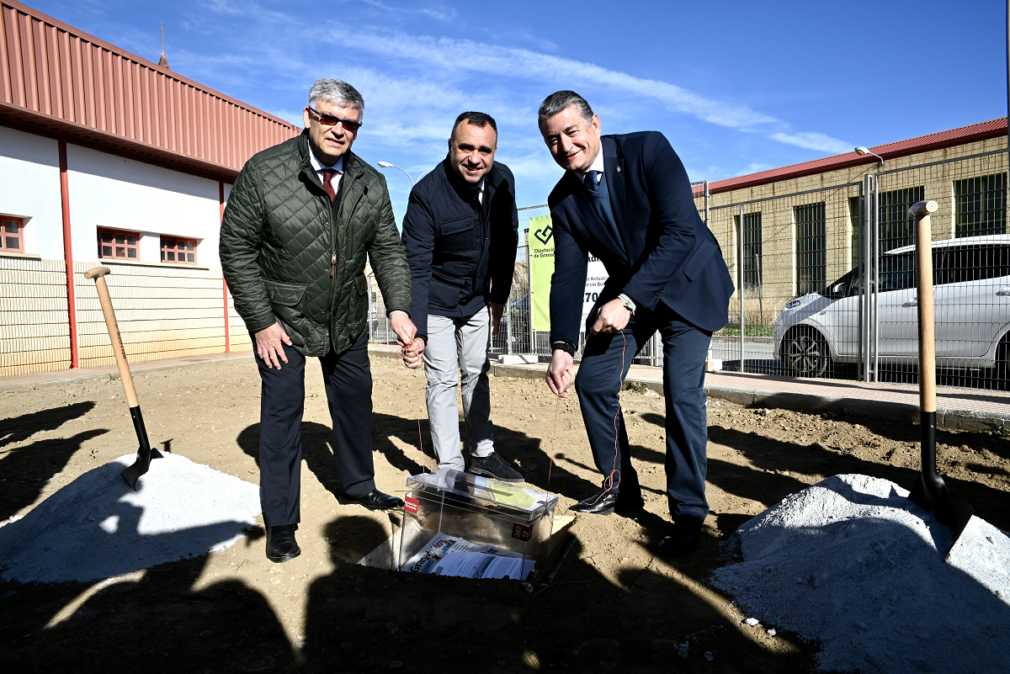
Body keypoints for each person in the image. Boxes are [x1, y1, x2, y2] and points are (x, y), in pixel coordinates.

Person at [221, 79, 416, 564]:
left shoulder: (372, 181)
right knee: (283, 416)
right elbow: (237, 249)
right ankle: (282, 523)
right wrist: (261, 321)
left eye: (350, 123)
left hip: (345, 315)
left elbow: (388, 248)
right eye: (329, 118)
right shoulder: (265, 172)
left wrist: (398, 308)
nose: (339, 130)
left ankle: (358, 485)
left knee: (354, 404)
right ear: (308, 116)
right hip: (280, 321)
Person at [538, 91, 734, 557]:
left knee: (681, 392)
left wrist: (626, 299)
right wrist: (562, 345)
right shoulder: (563, 199)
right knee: (593, 382)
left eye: (571, 132)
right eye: (552, 140)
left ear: (595, 124)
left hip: (687, 281)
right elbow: (567, 273)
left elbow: (682, 229)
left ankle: (688, 513)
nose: (564, 146)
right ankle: (618, 487)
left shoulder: (648, 150)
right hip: (634, 291)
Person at [400, 112, 522, 482]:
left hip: (476, 301)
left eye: (484, 150)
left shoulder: (503, 181)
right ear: (451, 147)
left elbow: (507, 241)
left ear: (494, 150)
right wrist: (416, 329)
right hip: (436, 303)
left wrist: (498, 297)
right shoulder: (426, 195)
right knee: (442, 380)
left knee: (477, 373)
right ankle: (451, 467)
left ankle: (483, 454)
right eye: (466, 147)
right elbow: (416, 268)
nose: (475, 158)